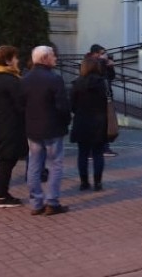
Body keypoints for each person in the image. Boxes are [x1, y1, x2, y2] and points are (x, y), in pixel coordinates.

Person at [21, 45, 71, 216]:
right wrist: (66, 122)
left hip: (33, 129)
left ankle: (36, 203)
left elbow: (21, 106)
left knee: (34, 165)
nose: (55, 59)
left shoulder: (25, 79)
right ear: (44, 59)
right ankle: (52, 201)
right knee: (55, 164)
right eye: (53, 56)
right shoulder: (54, 79)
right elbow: (63, 106)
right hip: (53, 128)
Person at [0, 45, 27, 208]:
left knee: (6, 160)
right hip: (9, 126)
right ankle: (1, 196)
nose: (17, 60)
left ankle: (2, 194)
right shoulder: (10, 81)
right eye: (15, 58)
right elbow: (21, 104)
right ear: (8, 60)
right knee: (6, 160)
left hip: (1, 124)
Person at [70, 57, 109, 191]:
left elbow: (72, 105)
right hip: (99, 121)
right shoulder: (102, 83)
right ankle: (98, 183)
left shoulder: (77, 83)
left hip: (82, 121)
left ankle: (83, 182)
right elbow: (107, 103)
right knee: (98, 153)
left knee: (82, 153)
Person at [88, 43, 118, 157]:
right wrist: (102, 63)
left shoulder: (103, 64)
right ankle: (91, 150)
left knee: (105, 124)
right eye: (101, 53)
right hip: (94, 100)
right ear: (94, 54)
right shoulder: (89, 63)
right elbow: (96, 76)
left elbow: (111, 77)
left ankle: (105, 148)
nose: (104, 56)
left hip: (105, 97)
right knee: (95, 126)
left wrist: (110, 66)